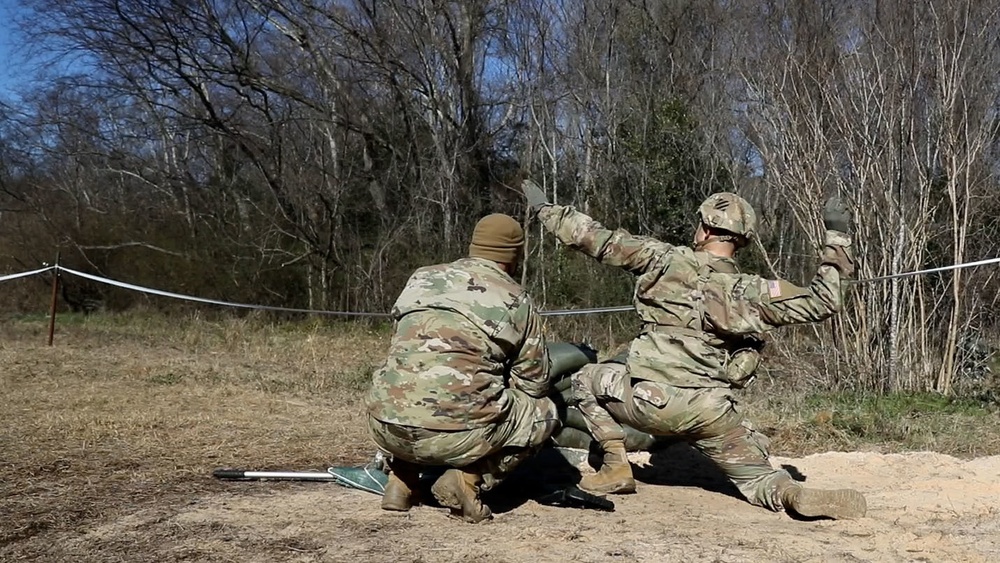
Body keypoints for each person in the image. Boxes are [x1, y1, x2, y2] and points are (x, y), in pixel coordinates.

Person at [520, 179, 867, 520]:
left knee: (586, 378)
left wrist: (545, 209)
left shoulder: (662, 259)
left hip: (648, 402)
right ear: (741, 241)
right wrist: (836, 235)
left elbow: (594, 238)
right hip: (711, 413)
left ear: (704, 229)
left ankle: (615, 465)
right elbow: (825, 301)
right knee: (762, 480)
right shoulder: (752, 290)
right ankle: (791, 494)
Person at [366, 213, 559, 523]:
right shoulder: (516, 299)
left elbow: (408, 351)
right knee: (544, 412)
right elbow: (533, 385)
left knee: (410, 384)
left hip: (385, 426)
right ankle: (470, 480)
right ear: (514, 256)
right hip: (454, 435)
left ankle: (401, 481)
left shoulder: (421, 278)